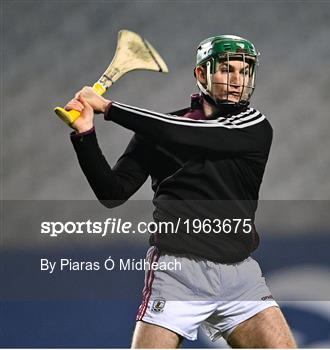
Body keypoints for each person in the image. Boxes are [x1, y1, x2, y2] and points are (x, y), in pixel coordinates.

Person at [64, 35, 296, 348]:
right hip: (177, 275)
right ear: (202, 75)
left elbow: (186, 134)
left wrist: (108, 107)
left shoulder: (253, 126)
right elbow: (112, 193)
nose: (237, 81)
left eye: (244, 71)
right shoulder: (160, 130)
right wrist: (85, 135)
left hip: (240, 278)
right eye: (227, 70)